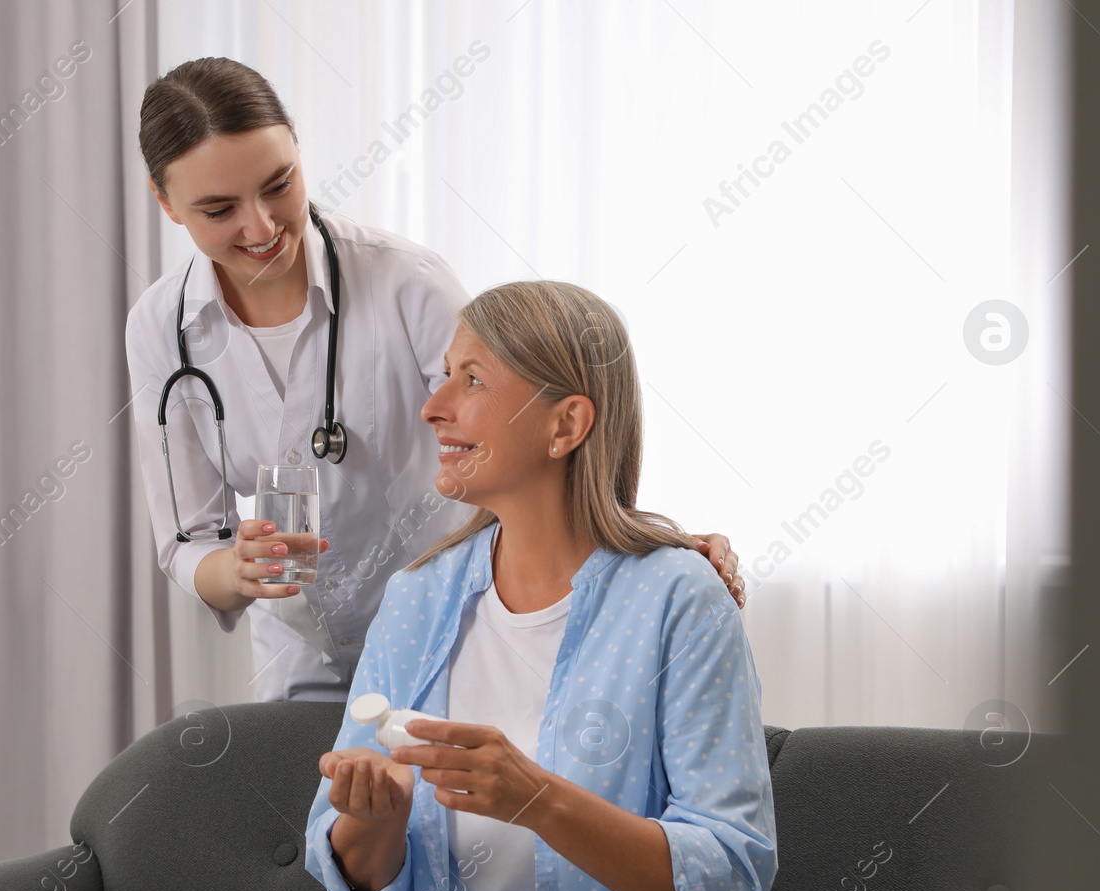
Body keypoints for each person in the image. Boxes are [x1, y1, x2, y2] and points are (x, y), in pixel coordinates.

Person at [226, 281, 839, 891]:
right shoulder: (420, 600)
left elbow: (728, 866)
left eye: (472, 380)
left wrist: (538, 798)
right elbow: (357, 866)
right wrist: (370, 814)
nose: (435, 406)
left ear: (566, 424)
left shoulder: (678, 598)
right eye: (444, 374)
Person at [126, 58, 746, 702]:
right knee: (329, 800)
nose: (261, 227)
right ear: (165, 202)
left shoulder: (406, 282)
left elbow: (528, 434)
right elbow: (188, 543)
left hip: (456, 633)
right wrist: (238, 568)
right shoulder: (159, 329)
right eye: (219, 209)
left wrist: (643, 550)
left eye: (279, 184)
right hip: (300, 658)